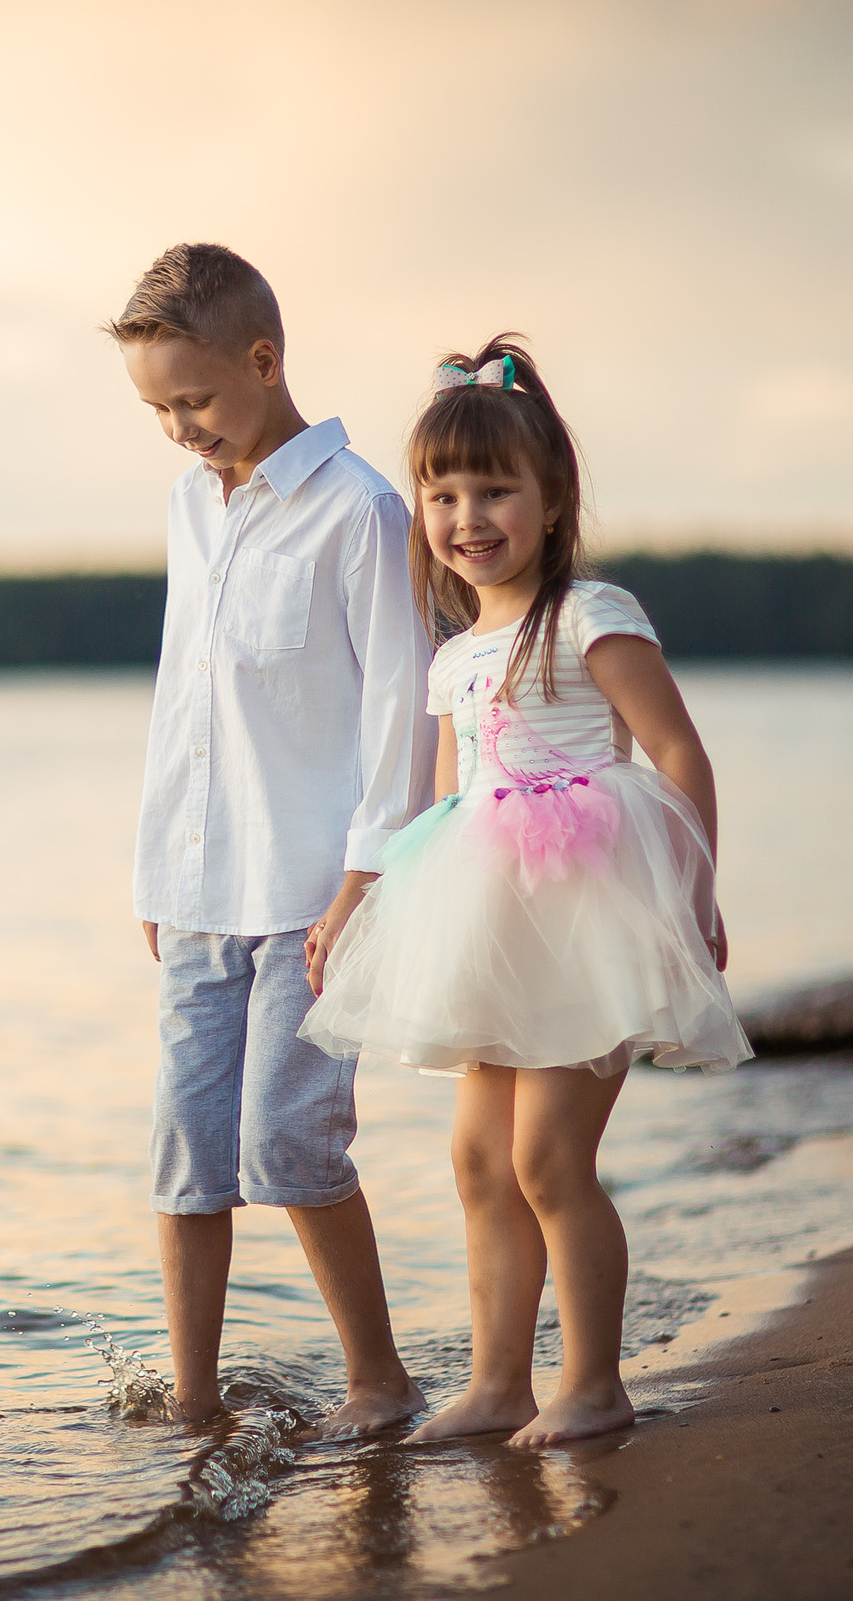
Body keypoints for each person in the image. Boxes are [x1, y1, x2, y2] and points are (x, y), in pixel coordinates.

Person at [300, 335, 752, 1448]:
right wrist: (371, 902)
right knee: (475, 1161)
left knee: (551, 1159)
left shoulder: (591, 615)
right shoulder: (456, 655)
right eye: (442, 493)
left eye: (495, 488)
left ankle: (591, 1382)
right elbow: (447, 812)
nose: (467, 516)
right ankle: (498, 1383)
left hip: (589, 915)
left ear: (552, 502)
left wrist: (691, 889)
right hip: (489, 924)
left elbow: (676, 754)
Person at [108, 243, 437, 1436]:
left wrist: (366, 880)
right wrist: (157, 863)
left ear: (264, 359)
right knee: (188, 1150)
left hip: (312, 892)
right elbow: (179, 696)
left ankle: (378, 1379)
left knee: (288, 1140)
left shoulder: (359, 511)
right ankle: (190, 1401)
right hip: (199, 888)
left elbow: (401, 707)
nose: (180, 429)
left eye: (193, 399)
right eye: (157, 409)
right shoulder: (190, 506)